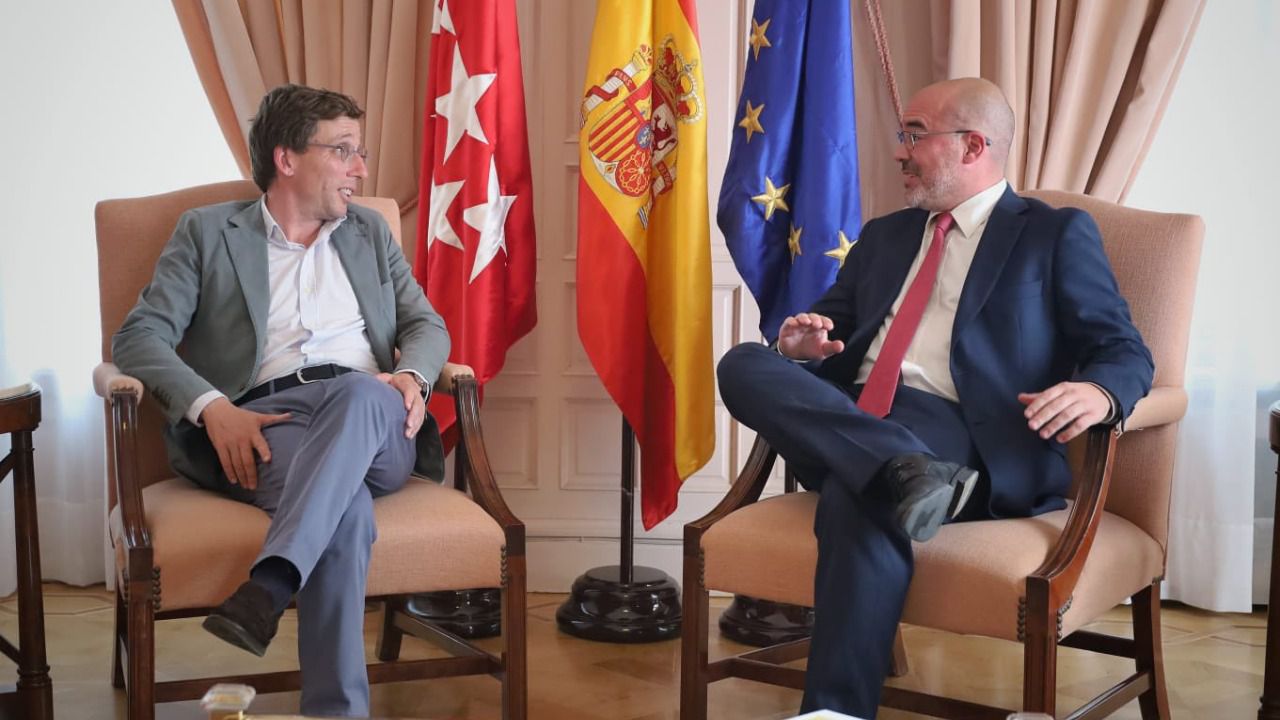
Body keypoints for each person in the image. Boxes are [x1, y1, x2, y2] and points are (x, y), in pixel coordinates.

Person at [716, 77, 1153, 718]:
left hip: (967, 437)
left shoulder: (1053, 234)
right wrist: (802, 348)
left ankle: (833, 710)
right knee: (744, 363)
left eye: (915, 135)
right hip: (853, 418)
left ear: (973, 145)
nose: (900, 151)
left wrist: (1098, 391)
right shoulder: (885, 236)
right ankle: (902, 468)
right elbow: (831, 327)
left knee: (861, 493)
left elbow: (1124, 349)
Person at [112, 84, 450, 717]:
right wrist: (212, 408)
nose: (361, 169)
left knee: (360, 392)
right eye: (343, 150)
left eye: (360, 152)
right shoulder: (207, 232)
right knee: (346, 512)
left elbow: (425, 324)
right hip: (269, 423)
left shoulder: (370, 232)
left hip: (376, 419)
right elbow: (138, 337)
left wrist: (413, 376)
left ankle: (270, 584)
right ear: (286, 157)